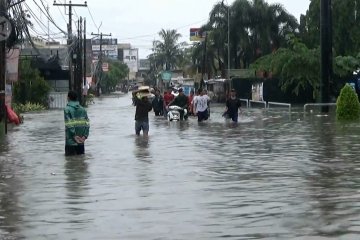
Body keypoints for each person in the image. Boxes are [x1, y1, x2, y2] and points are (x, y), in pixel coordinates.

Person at [64, 90, 90, 156]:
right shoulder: (83, 109)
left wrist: (74, 136)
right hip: (81, 141)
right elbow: (87, 124)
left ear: (68, 98)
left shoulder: (67, 109)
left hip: (71, 142)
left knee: (70, 163)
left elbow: (69, 124)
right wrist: (85, 136)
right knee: (81, 163)